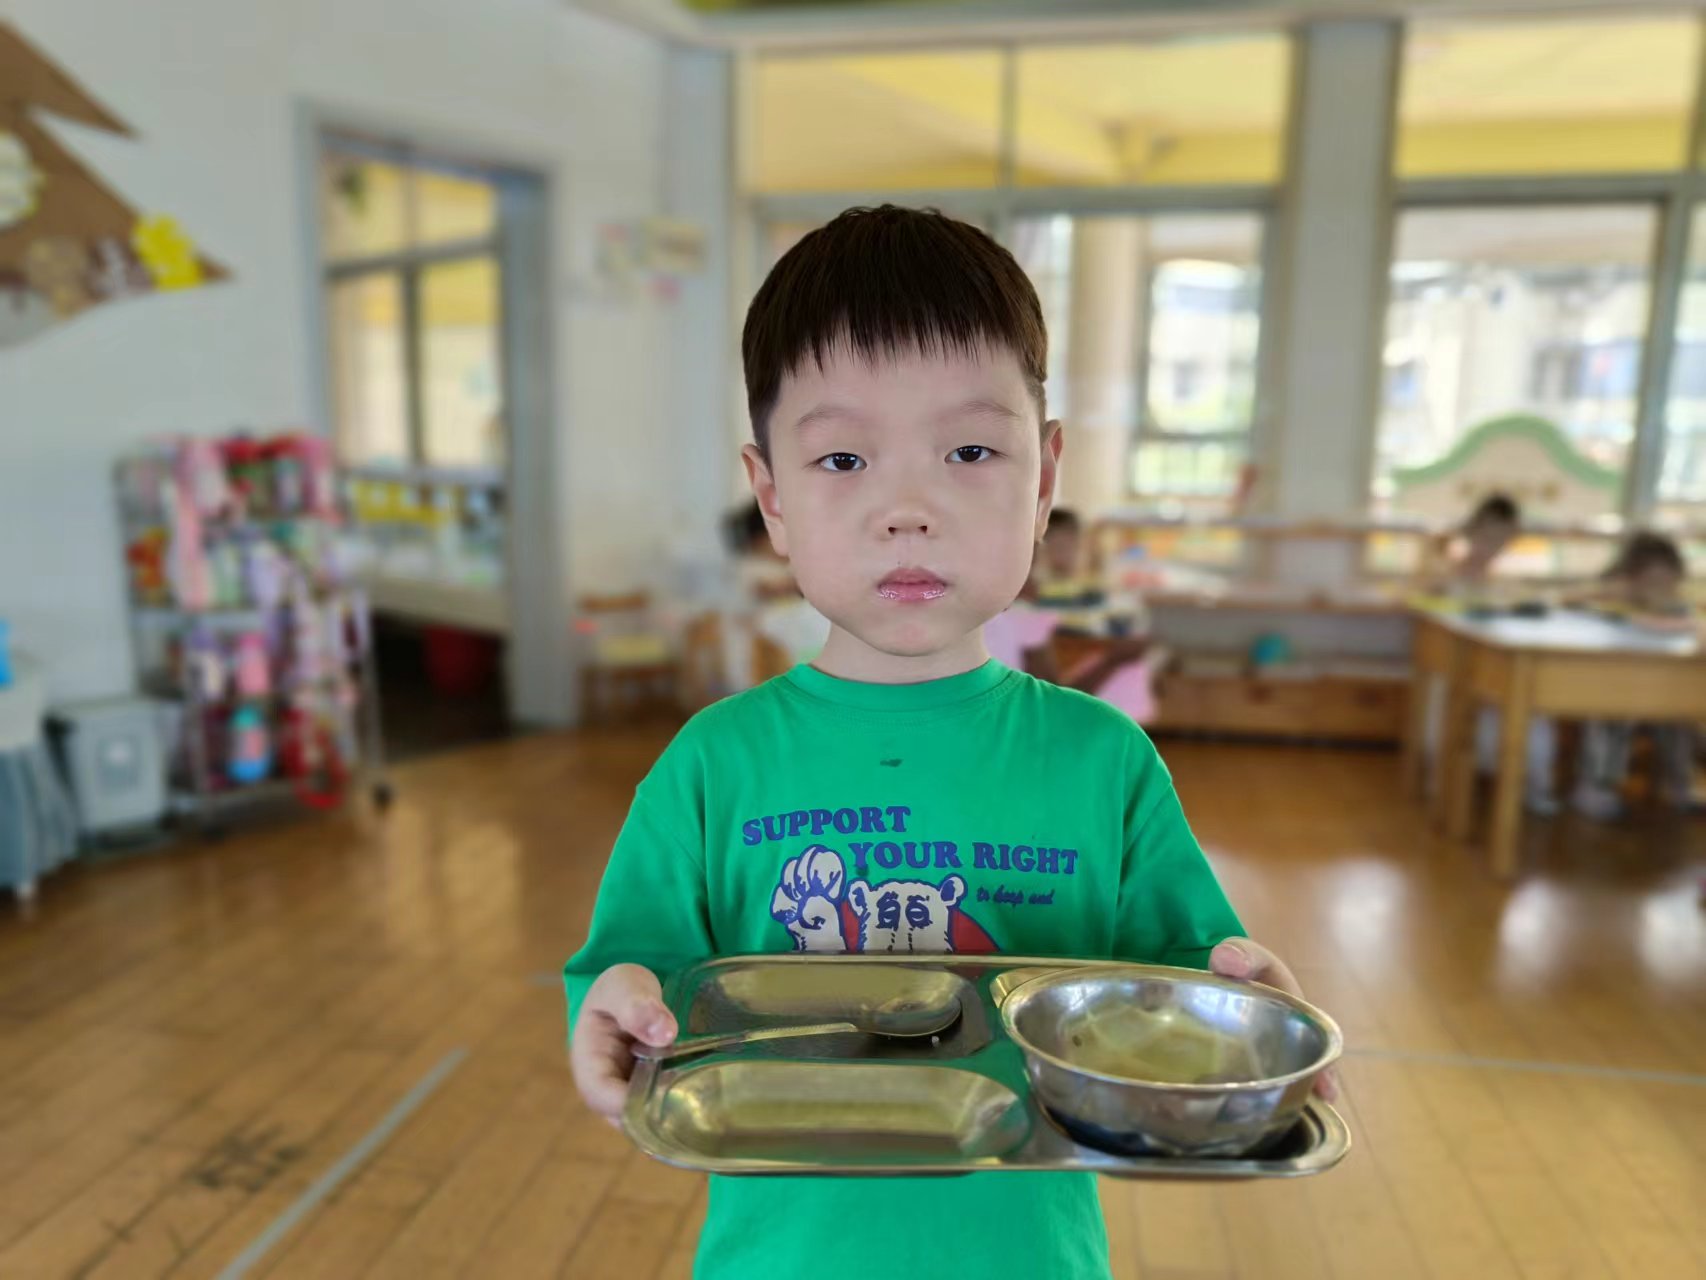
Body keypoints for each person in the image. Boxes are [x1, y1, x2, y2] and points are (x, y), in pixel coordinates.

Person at [563, 206, 1331, 1280]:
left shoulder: (1101, 759)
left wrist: (1243, 1004)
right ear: (772, 495)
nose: (907, 508)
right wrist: (610, 1008)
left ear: (1043, 478)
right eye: (842, 457)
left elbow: (1182, 982)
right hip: (779, 1259)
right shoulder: (713, 762)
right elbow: (631, 972)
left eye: (969, 450)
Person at [1573, 533, 1697, 819]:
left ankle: (1679, 787)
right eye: (1652, 581)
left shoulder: (1680, 610)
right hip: (1613, 691)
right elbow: (1576, 602)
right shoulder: (1612, 605)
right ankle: (1596, 789)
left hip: (1665, 693)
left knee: (1682, 720)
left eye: (1668, 580)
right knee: (1611, 715)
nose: (1660, 588)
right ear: (1632, 578)